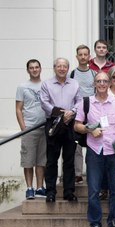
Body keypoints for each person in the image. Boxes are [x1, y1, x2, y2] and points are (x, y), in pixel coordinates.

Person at [74, 71, 115, 227]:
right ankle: (95, 223)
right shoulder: (86, 102)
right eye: (99, 81)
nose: (102, 84)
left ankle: (114, 221)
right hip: (95, 151)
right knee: (94, 190)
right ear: (94, 84)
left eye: (105, 81)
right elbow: (77, 126)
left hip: (114, 152)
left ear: (110, 83)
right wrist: (90, 129)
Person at [40, 58, 81, 203]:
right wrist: (61, 114)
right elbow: (44, 103)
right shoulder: (46, 84)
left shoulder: (74, 83)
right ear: (54, 68)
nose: (62, 68)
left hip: (70, 124)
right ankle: (50, 191)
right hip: (54, 123)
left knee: (69, 160)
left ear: (68, 68)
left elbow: (79, 101)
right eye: (59, 66)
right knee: (51, 159)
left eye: (64, 66)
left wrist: (72, 112)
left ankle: (69, 191)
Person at [15, 59, 46, 199]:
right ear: (28, 70)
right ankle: (29, 188)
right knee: (28, 160)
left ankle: (40, 187)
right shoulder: (22, 87)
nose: (34, 70)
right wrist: (23, 128)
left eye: (36, 67)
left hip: (44, 127)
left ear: (40, 69)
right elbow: (18, 109)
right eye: (31, 68)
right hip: (29, 128)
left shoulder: (46, 85)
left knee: (41, 160)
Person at [70, 44, 97, 184]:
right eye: (80, 54)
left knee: (93, 142)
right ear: (77, 57)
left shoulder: (94, 74)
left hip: (92, 111)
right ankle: (78, 173)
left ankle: (92, 171)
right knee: (77, 145)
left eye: (85, 54)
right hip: (77, 112)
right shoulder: (72, 74)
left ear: (89, 57)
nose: (83, 57)